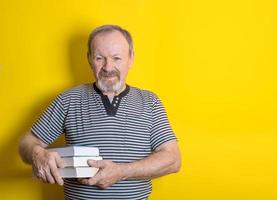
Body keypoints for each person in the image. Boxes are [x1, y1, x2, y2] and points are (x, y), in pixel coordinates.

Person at [19, 24, 181, 200]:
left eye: (117, 58)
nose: (108, 67)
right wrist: (37, 153)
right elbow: (26, 143)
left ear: (131, 58)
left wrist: (121, 172)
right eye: (99, 58)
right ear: (89, 59)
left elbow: (173, 159)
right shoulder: (68, 100)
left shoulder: (150, 102)